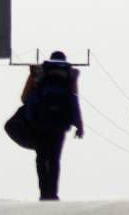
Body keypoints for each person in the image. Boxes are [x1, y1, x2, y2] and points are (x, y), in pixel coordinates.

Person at [21, 51, 84, 200]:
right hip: (60, 125)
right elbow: (74, 101)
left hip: (39, 124)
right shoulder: (69, 77)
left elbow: (25, 98)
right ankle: (53, 193)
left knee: (41, 158)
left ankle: (44, 192)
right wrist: (79, 124)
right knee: (55, 159)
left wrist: (31, 76)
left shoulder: (41, 75)